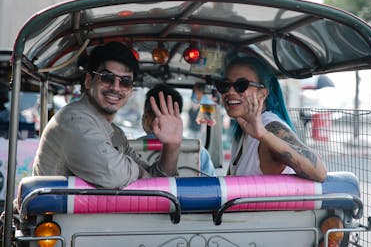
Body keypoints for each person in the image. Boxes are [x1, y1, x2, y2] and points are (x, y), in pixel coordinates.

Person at [32, 42, 183, 188]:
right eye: (107, 78)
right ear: (89, 81)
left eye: (125, 82)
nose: (115, 88)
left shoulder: (116, 133)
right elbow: (113, 174)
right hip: (55, 213)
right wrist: (140, 172)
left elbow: (153, 181)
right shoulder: (73, 120)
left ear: (130, 90)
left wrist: (172, 146)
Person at [215, 56, 327, 182]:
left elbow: (319, 173)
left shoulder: (270, 127)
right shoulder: (243, 130)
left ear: (262, 93)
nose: (230, 91)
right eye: (224, 85)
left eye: (241, 85)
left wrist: (263, 135)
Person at [141, 84, 216, 176]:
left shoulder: (127, 149)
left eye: (144, 115)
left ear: (146, 115)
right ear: (177, 115)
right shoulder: (198, 150)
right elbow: (211, 186)